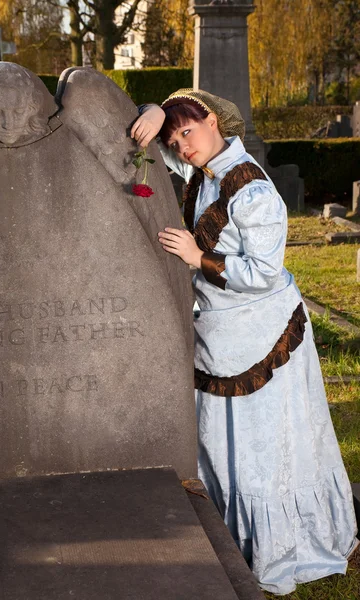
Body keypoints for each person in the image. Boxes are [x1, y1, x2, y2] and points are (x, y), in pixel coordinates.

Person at [131, 89, 359, 596]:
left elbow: (263, 271)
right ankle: (231, 534)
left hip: (264, 336)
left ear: (213, 120)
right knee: (221, 442)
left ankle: (280, 545)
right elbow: (161, 147)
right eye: (176, 140)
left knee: (265, 447)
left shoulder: (253, 191)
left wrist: (198, 258)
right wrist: (153, 112)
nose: (183, 147)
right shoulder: (205, 171)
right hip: (218, 331)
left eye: (188, 132)